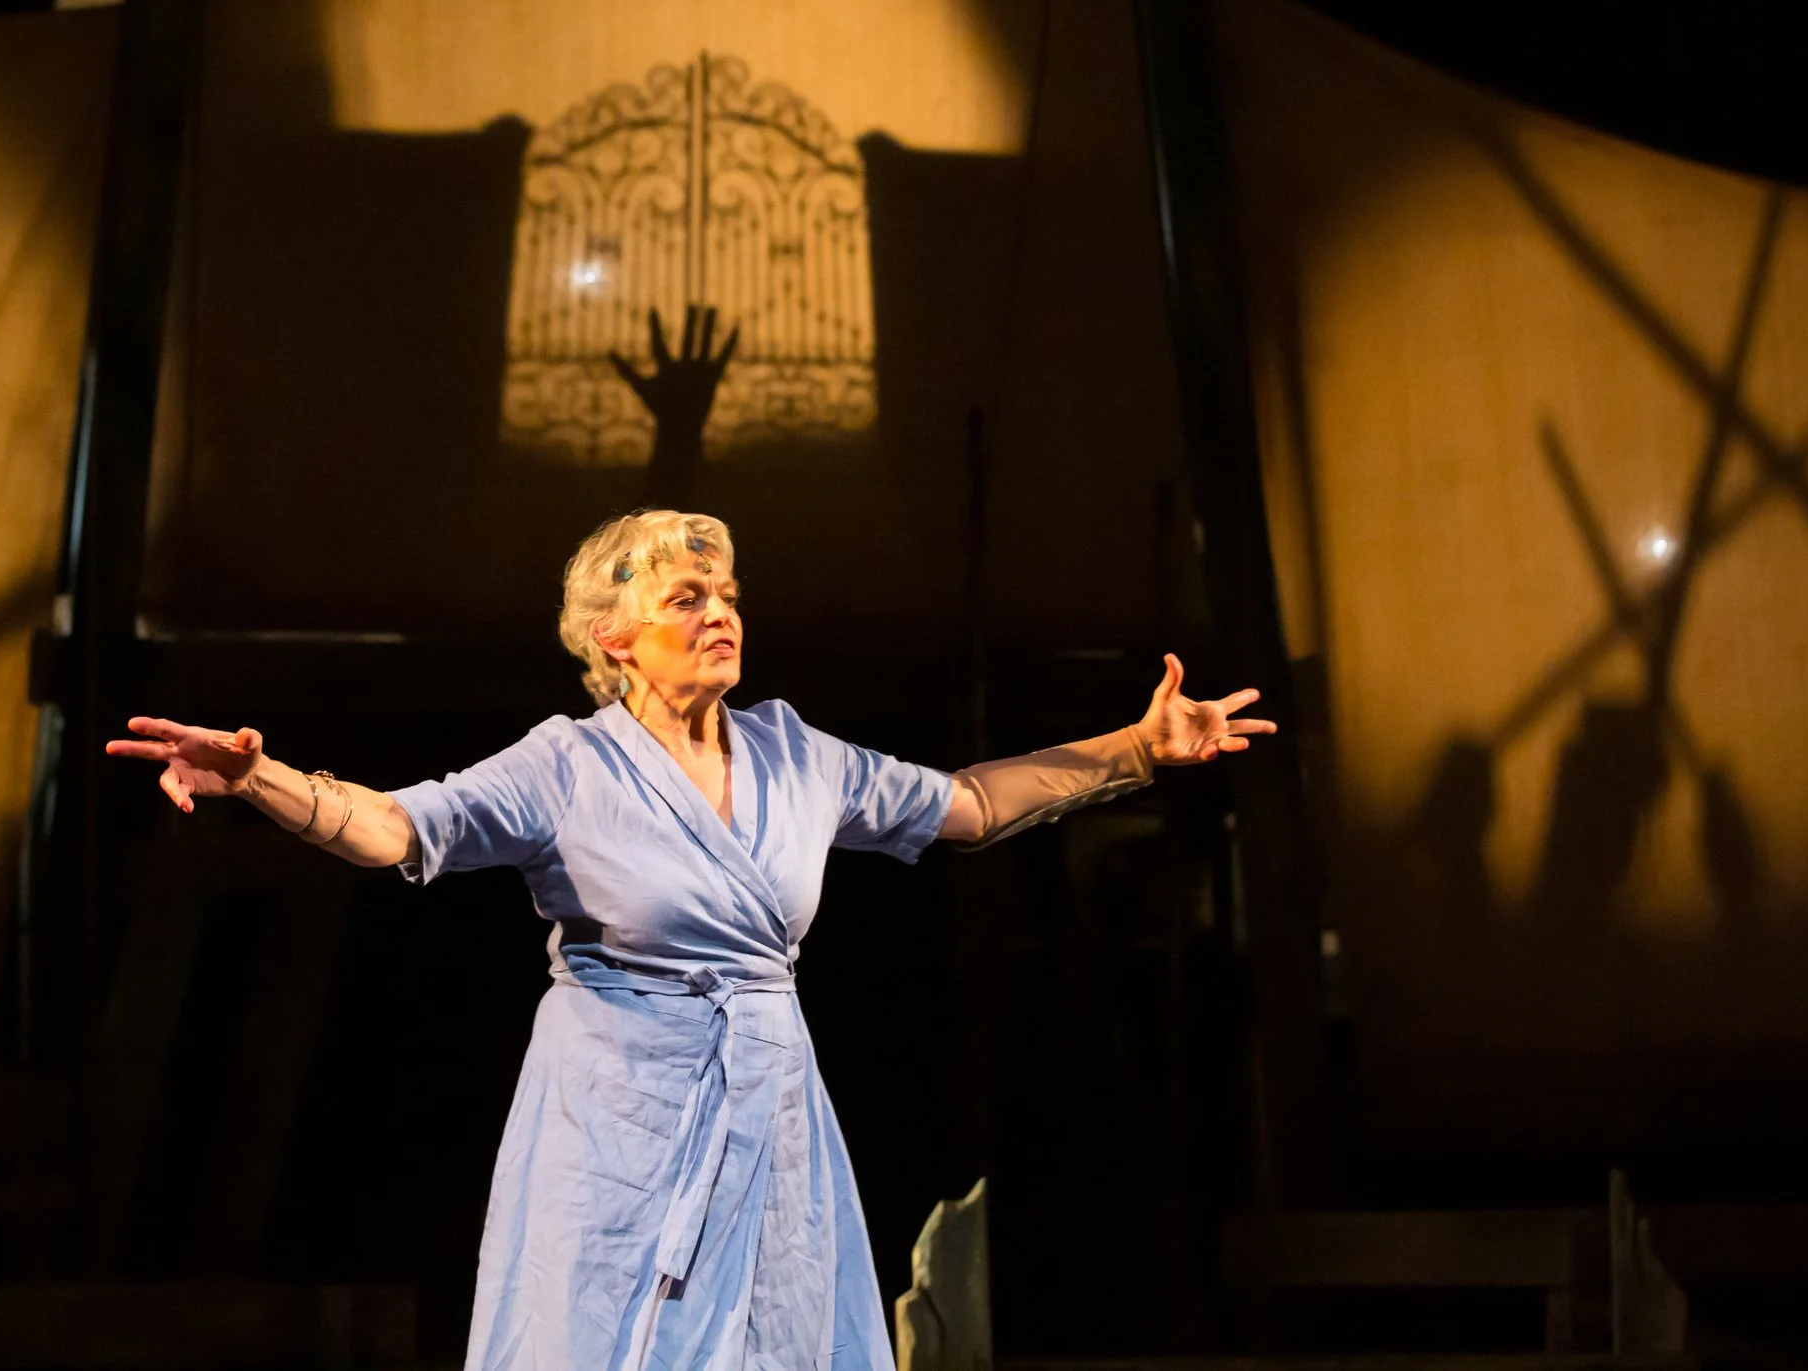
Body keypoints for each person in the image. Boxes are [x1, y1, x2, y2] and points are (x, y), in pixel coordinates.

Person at [107, 507, 1275, 1371]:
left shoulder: (795, 753)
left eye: (726, 594)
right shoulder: (566, 764)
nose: (719, 612)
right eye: (684, 597)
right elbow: (399, 828)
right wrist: (260, 778)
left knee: (774, 1335)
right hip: (614, 1119)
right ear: (613, 636)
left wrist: (1136, 749)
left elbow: (966, 804)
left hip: (768, 1107)